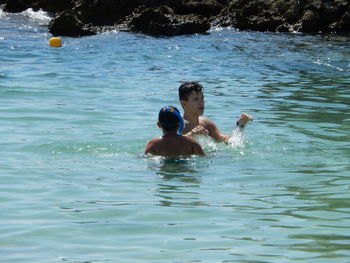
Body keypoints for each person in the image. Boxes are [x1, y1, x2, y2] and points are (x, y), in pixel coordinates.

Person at [178, 81, 253, 143]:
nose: (201, 102)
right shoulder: (176, 124)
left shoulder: (206, 124)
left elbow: (227, 141)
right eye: (196, 99)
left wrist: (240, 125)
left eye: (202, 98)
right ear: (184, 103)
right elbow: (168, 142)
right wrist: (191, 135)